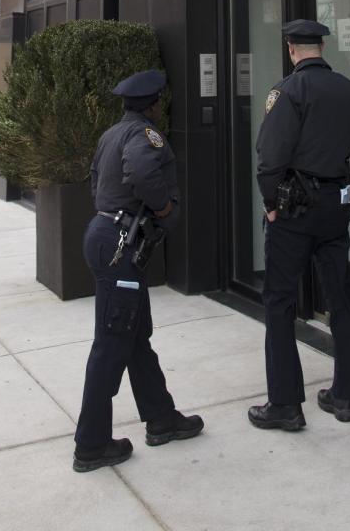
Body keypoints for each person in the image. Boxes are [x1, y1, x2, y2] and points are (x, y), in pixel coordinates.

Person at [249, 20, 350, 432]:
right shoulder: (347, 88)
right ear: (322, 47)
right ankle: (343, 396)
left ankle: (285, 405)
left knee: (278, 300)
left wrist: (271, 202)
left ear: (292, 48)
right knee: (340, 297)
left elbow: (270, 154)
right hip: (335, 207)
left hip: (294, 211)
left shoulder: (288, 91)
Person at [73, 68, 204, 473]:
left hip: (105, 234)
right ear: (154, 104)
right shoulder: (144, 136)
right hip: (121, 245)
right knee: (112, 344)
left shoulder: (111, 134)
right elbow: (143, 174)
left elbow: (96, 184)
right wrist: (164, 210)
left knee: (134, 337)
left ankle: (161, 418)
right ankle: (91, 445)